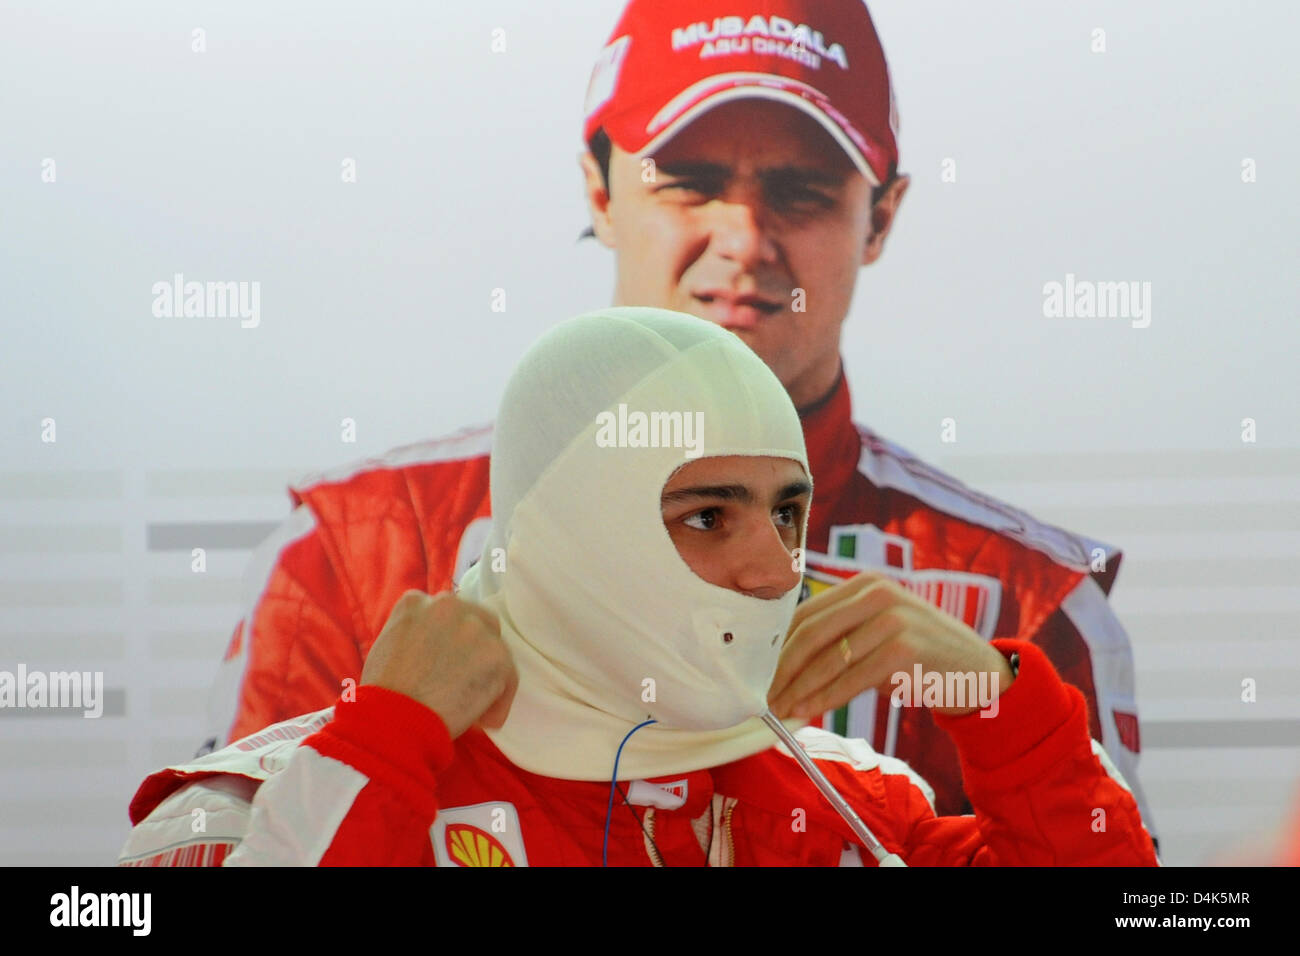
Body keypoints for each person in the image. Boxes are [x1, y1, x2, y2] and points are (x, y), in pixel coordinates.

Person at [199, 0, 1154, 829]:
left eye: (801, 190)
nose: (741, 239)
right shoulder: (357, 551)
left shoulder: (1023, 599)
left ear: (883, 217)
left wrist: (996, 703)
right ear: (598, 188)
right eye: (689, 178)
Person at [120, 309, 1158, 867]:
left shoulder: (850, 803)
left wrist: (1002, 707)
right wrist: (387, 742)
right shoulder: (253, 807)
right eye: (707, 514)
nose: (773, 567)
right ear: (570, 534)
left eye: (785, 510)